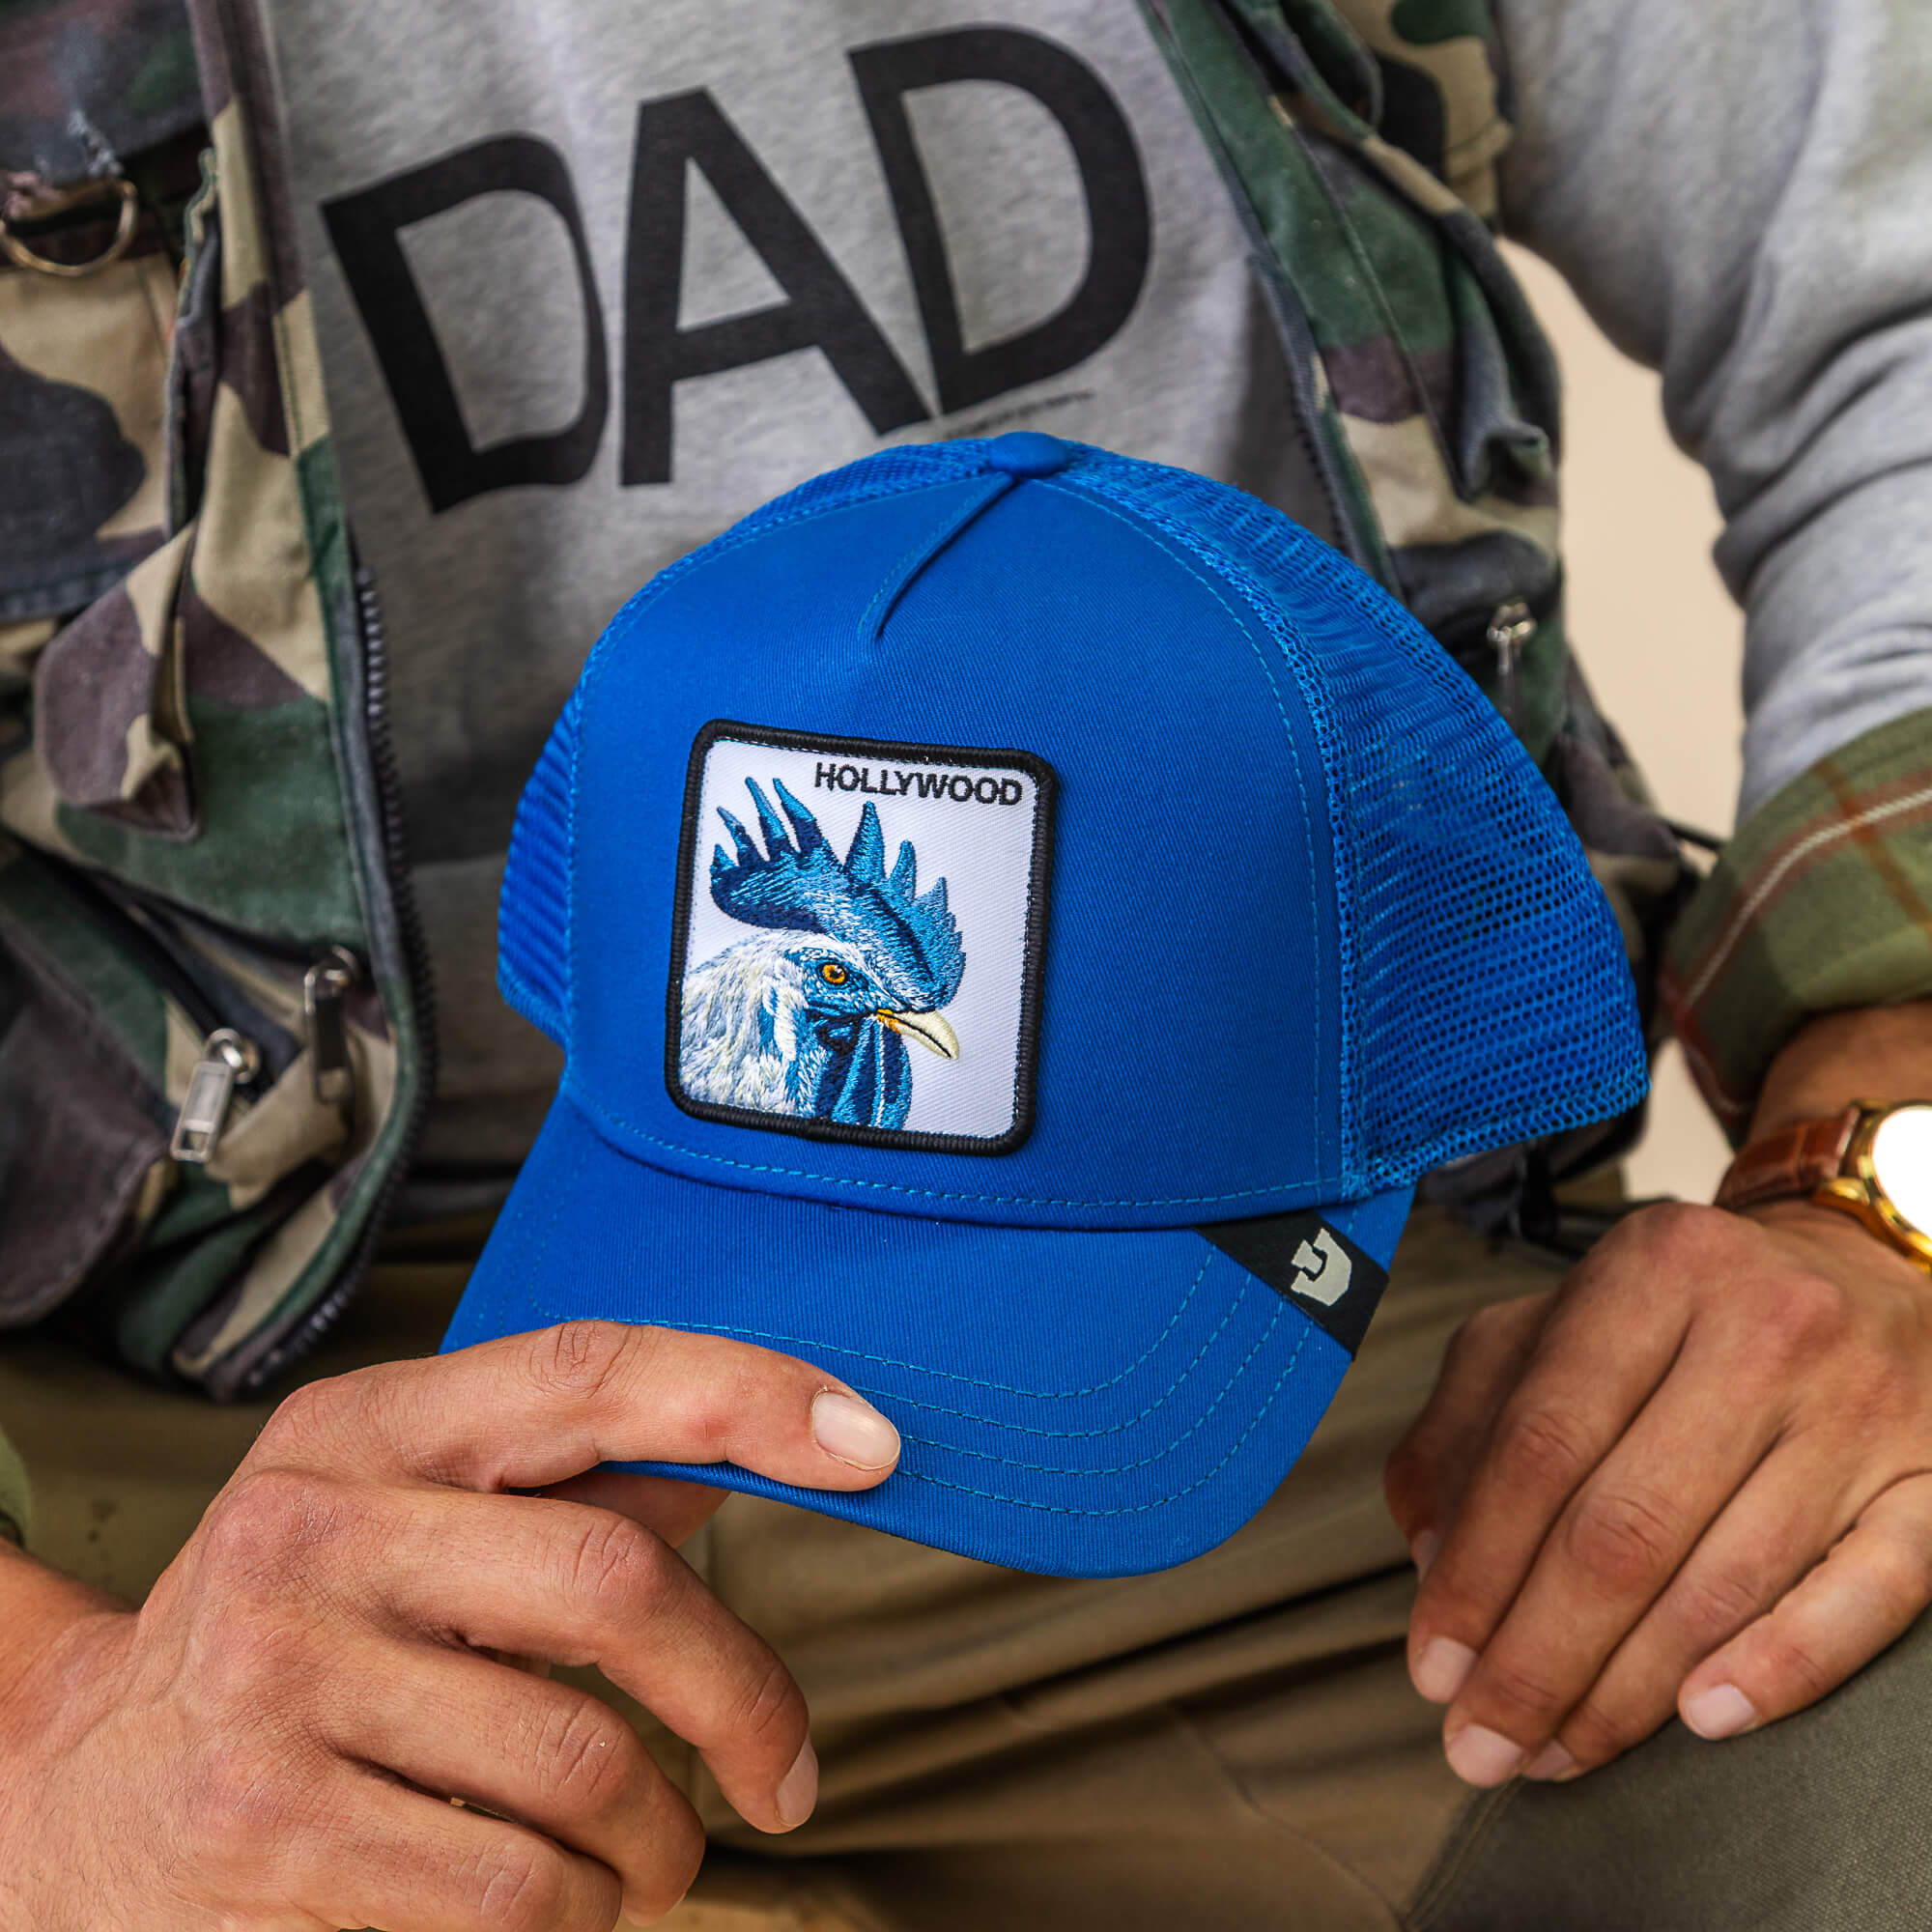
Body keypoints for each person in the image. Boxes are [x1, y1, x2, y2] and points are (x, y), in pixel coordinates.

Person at [0, 0, 1928, 1926]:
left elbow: (1893, 310)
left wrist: (1887, 1181)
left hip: (1239, 1280)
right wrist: (54, 1736)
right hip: (189, 1421)